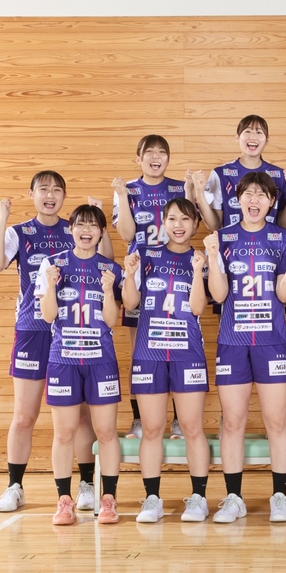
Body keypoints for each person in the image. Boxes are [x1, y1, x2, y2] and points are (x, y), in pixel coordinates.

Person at [0, 171, 97, 513]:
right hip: (31, 331)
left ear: (64, 196)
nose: (50, 195)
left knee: (81, 415)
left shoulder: (75, 229)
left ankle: (87, 485)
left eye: (57, 190)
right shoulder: (19, 232)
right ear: (32, 194)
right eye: (44, 189)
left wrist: (95, 216)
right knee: (24, 415)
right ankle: (14, 486)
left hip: (72, 332)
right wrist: (2, 217)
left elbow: (103, 258)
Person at [203, 173, 286, 524]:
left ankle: (280, 497)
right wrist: (212, 256)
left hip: (271, 341)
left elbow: (284, 295)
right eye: (249, 194)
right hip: (232, 341)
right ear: (238, 199)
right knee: (233, 422)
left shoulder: (283, 239)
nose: (255, 200)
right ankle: (234, 498)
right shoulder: (222, 238)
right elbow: (218, 295)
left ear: (272, 201)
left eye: (262, 194)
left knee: (277, 420)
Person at [121, 198, 212, 523]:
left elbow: (198, 308)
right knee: (152, 428)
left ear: (195, 224)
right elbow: (130, 302)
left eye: (185, 219)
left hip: (188, 353)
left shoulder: (201, 259)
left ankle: (199, 498)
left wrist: (199, 271)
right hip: (150, 354)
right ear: (163, 223)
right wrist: (129, 275)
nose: (178, 225)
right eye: (172, 218)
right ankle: (152, 499)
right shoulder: (146, 255)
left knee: (191, 427)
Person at [35, 204, 124, 525]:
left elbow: (112, 321)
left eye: (93, 225)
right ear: (70, 229)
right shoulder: (52, 264)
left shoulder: (110, 269)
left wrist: (107, 291)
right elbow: (48, 316)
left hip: (101, 360)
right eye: (80, 225)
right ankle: (64, 501)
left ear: (101, 232)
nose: (86, 230)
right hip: (63, 360)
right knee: (64, 433)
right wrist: (51, 286)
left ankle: (109, 499)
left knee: (106, 431)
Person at [111, 134, 189, 440]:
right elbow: (126, 233)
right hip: (140, 274)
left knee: (177, 345)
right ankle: (139, 420)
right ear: (138, 159)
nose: (156, 157)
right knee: (138, 352)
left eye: (161, 152)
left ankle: (178, 421)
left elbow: (192, 226)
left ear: (168, 158)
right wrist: (121, 196)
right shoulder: (127, 189)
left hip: (176, 273)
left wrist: (193, 190)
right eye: (149, 152)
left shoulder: (179, 188)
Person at [189, 114, 286, 231]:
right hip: (230, 242)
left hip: (268, 242)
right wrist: (199, 192)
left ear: (267, 139)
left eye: (259, 132)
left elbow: (285, 227)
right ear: (237, 137)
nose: (253, 137)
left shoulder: (281, 175)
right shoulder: (220, 174)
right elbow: (214, 226)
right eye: (247, 131)